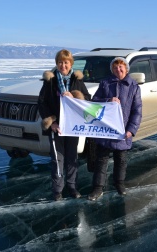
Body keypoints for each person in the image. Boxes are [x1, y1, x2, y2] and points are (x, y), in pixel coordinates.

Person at [38, 49, 91, 201]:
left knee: (72, 158)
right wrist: (52, 122)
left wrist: (74, 96)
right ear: (57, 64)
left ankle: (72, 186)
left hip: (72, 126)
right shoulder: (51, 82)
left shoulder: (77, 80)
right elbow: (42, 103)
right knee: (57, 159)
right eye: (60, 62)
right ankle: (57, 190)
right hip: (57, 127)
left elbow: (87, 99)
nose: (63, 65)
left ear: (71, 63)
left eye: (66, 62)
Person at [88, 57, 142, 201]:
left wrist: (131, 130)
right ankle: (98, 188)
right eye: (115, 67)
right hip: (106, 130)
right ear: (112, 69)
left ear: (126, 69)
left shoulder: (134, 87)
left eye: (121, 66)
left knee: (121, 160)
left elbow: (137, 111)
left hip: (122, 131)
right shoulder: (105, 83)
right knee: (101, 160)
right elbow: (94, 103)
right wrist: (108, 100)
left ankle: (119, 184)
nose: (118, 69)